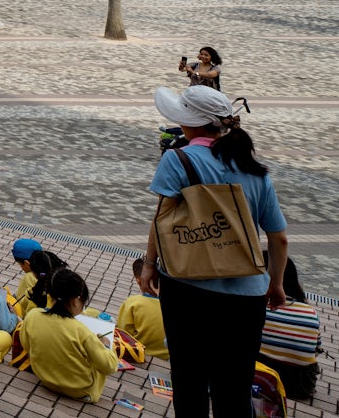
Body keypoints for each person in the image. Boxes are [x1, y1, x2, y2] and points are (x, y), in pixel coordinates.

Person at [142, 84, 289, 418]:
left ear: (190, 122)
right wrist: (276, 283)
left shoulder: (177, 159)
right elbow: (278, 237)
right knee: (234, 388)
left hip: (185, 286)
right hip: (247, 296)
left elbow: (162, 220)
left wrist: (149, 264)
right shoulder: (254, 169)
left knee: (189, 381)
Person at [14, 268, 119, 403]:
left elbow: (27, 346)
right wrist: (105, 345)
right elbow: (109, 367)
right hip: (82, 392)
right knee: (101, 358)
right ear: (76, 300)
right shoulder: (82, 331)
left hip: (46, 380)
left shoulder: (33, 316)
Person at [258, 259, 321, 402]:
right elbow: (316, 349)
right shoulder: (310, 312)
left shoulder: (260, 306)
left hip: (261, 375)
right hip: (301, 386)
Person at [115, 258, 168, 360]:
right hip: (167, 358)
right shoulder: (176, 304)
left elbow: (124, 333)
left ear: (138, 280)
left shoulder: (132, 303)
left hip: (139, 355)